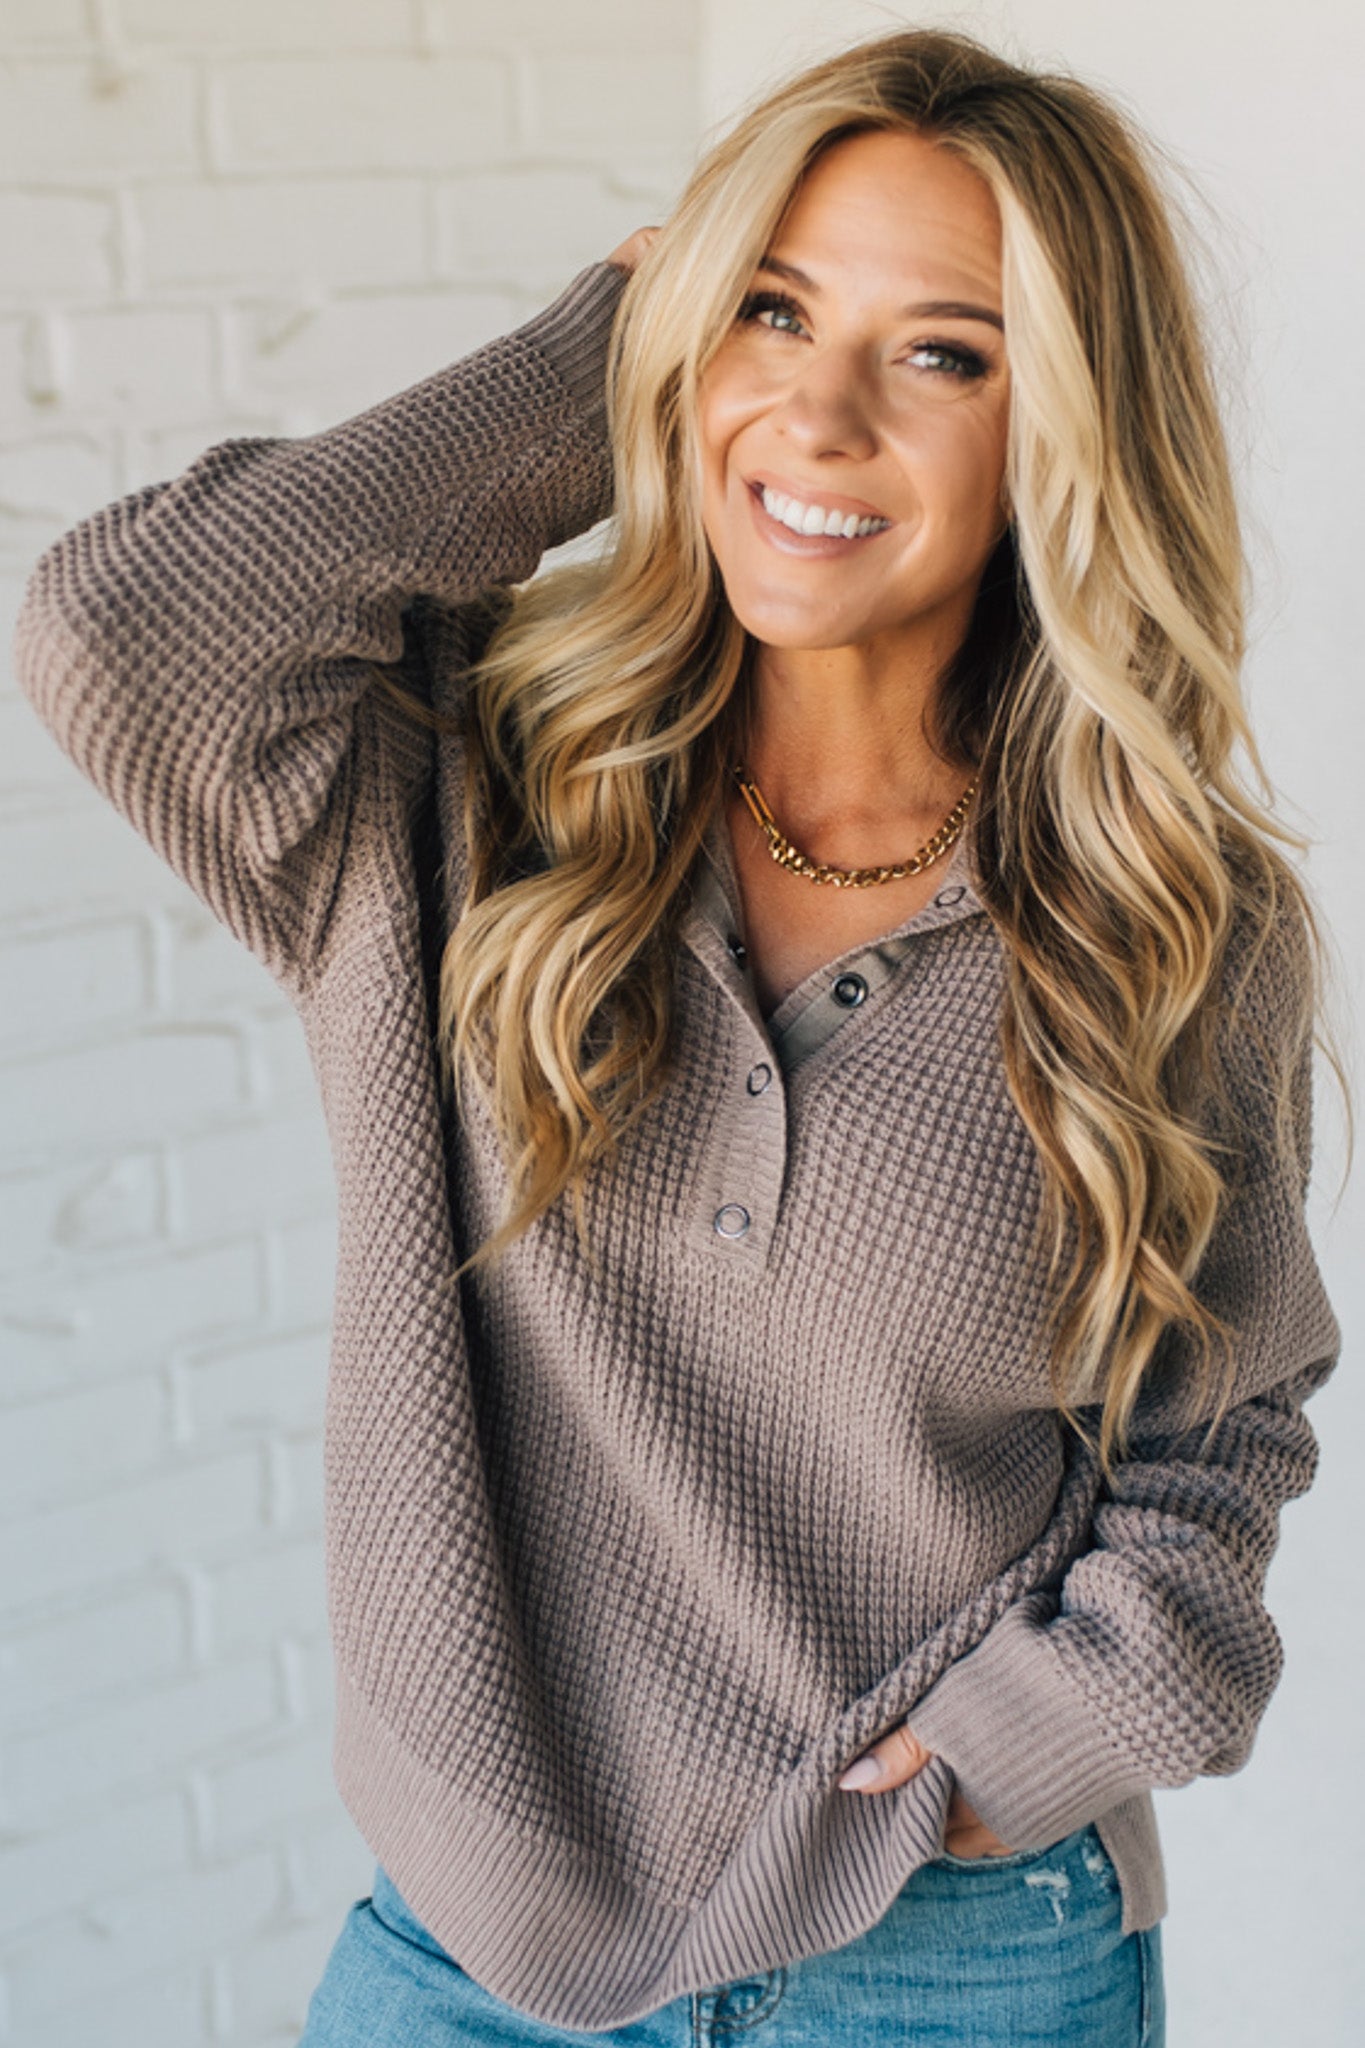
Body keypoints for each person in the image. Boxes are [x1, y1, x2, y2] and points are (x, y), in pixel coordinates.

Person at [13, 26, 1344, 2048]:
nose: (810, 414)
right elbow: (127, 627)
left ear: (1057, 427)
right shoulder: (458, 794)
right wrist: (608, 352)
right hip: (468, 1961)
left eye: (938, 353)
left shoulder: (1169, 921)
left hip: (952, 1960)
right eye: (769, 310)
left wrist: (1027, 1747)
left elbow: (1211, 1426)